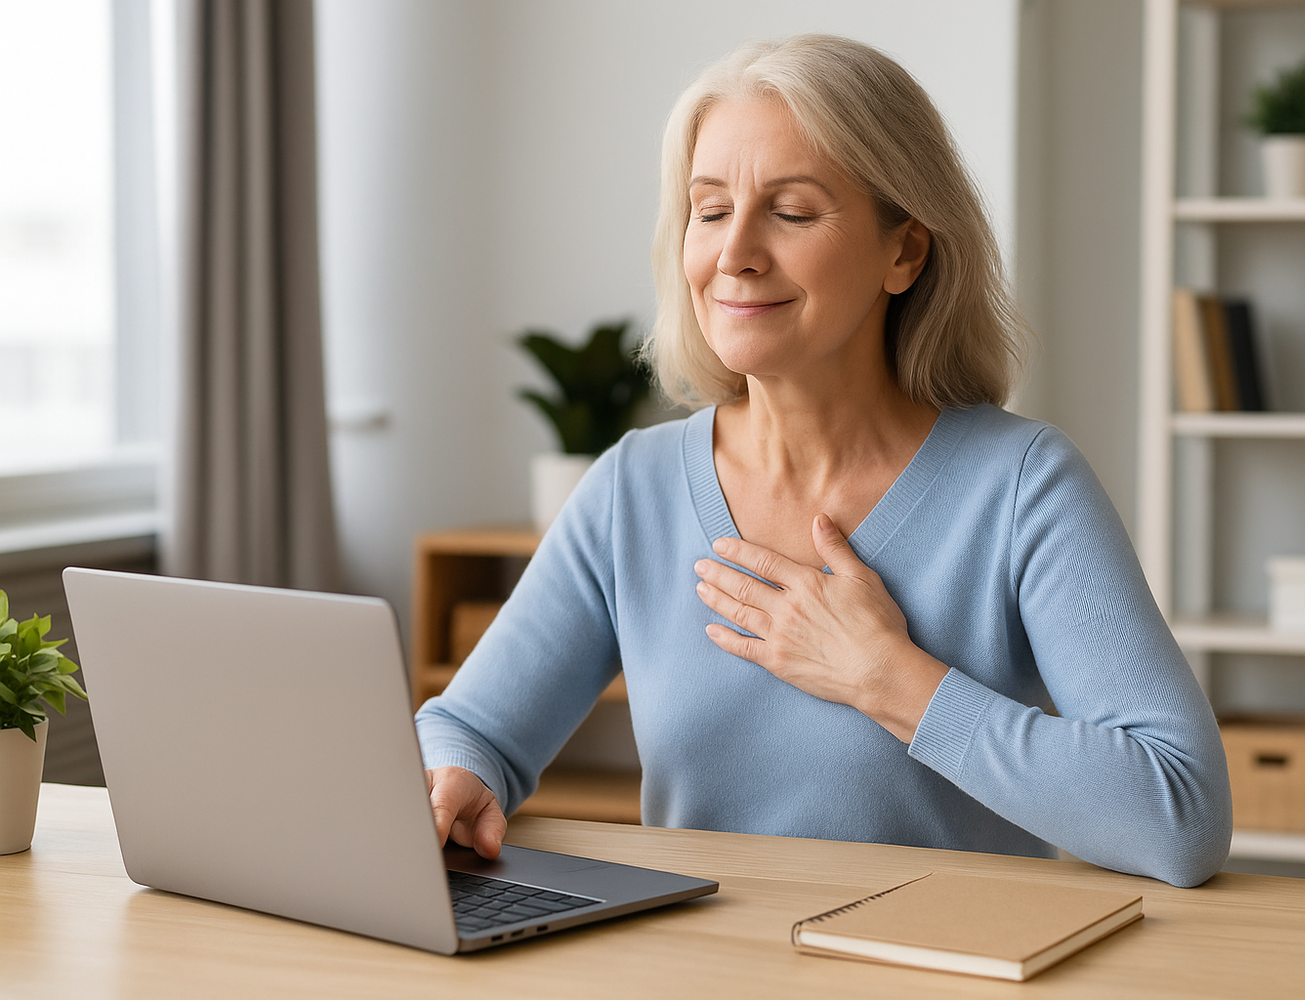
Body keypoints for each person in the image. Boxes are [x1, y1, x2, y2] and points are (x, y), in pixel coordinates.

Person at [417, 34, 1232, 888]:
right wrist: (456, 781)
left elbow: (1180, 817)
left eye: (793, 211)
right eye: (709, 209)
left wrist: (888, 678)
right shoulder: (634, 488)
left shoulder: (1024, 486)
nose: (735, 254)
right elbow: (472, 729)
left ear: (904, 252)